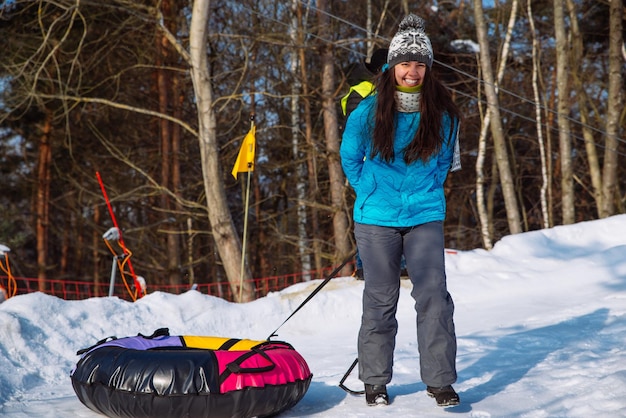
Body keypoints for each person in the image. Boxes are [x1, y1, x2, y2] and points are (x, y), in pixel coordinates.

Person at [340, 14, 462, 408]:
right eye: (405, 63)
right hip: (376, 218)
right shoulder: (367, 111)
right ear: (392, 66)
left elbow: (444, 161)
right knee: (381, 298)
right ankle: (375, 382)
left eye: (420, 63)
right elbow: (350, 158)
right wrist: (370, 190)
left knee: (434, 298)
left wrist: (423, 191)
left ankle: (440, 382)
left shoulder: (443, 113)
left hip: (424, 215)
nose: (412, 71)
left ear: (428, 68)